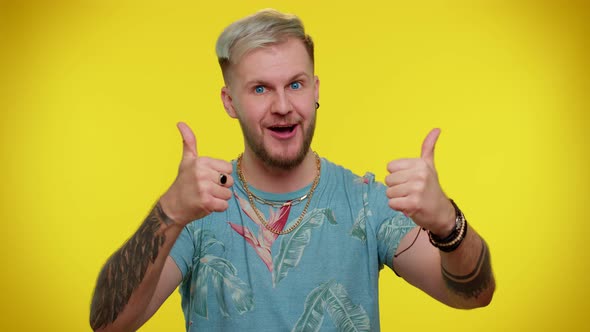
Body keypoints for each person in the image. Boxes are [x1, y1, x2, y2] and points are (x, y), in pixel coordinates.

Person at [89, 8, 495, 332]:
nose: (283, 105)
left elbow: (474, 295)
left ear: (316, 90)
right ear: (229, 102)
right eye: (260, 88)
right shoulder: (199, 209)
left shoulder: (366, 202)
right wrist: (170, 212)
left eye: (296, 84)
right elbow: (109, 324)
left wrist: (447, 222)